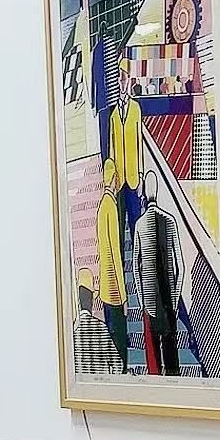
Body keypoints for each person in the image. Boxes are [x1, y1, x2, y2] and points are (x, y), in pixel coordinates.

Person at [132, 170, 184, 376]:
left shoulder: (139, 225)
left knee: (154, 363)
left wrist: (142, 300)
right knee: (172, 363)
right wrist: (175, 298)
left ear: (145, 193)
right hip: (168, 300)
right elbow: (181, 266)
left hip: (150, 302)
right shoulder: (170, 221)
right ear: (158, 192)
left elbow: (135, 267)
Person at [96, 158, 128, 369]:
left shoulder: (102, 206)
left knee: (112, 335)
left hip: (105, 290)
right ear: (114, 179)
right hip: (115, 290)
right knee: (120, 340)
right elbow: (115, 253)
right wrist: (124, 296)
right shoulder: (111, 207)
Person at [110, 62, 144, 264]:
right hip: (119, 179)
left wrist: (140, 175)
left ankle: (139, 263)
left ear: (130, 81)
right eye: (120, 79)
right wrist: (111, 179)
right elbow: (111, 149)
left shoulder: (136, 109)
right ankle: (122, 267)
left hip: (132, 178)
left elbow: (139, 142)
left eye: (125, 79)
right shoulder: (114, 114)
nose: (123, 83)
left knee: (135, 223)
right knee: (119, 226)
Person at [72, 269, 124, 377]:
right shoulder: (101, 327)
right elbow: (117, 364)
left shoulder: (72, 332)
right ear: (92, 299)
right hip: (101, 383)